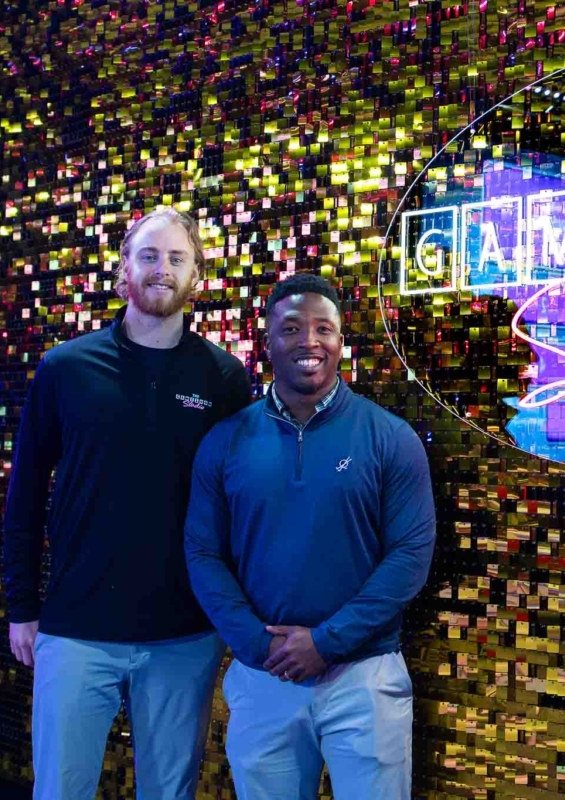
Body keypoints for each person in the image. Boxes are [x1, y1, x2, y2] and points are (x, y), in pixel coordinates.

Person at [2, 207, 253, 800]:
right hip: (75, 628)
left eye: (176, 258)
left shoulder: (223, 379)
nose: (161, 270)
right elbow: (27, 491)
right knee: (61, 789)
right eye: (149, 255)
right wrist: (21, 604)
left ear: (197, 276)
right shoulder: (66, 369)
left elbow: (242, 504)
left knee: (169, 792)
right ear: (124, 270)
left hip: (183, 632)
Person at [184, 273, 436, 800]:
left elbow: (410, 557)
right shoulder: (224, 442)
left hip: (364, 677)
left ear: (341, 341)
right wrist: (256, 644)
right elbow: (203, 553)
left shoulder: (390, 437)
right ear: (268, 341)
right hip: (263, 676)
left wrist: (326, 642)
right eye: (292, 328)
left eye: (325, 328)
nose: (310, 342)